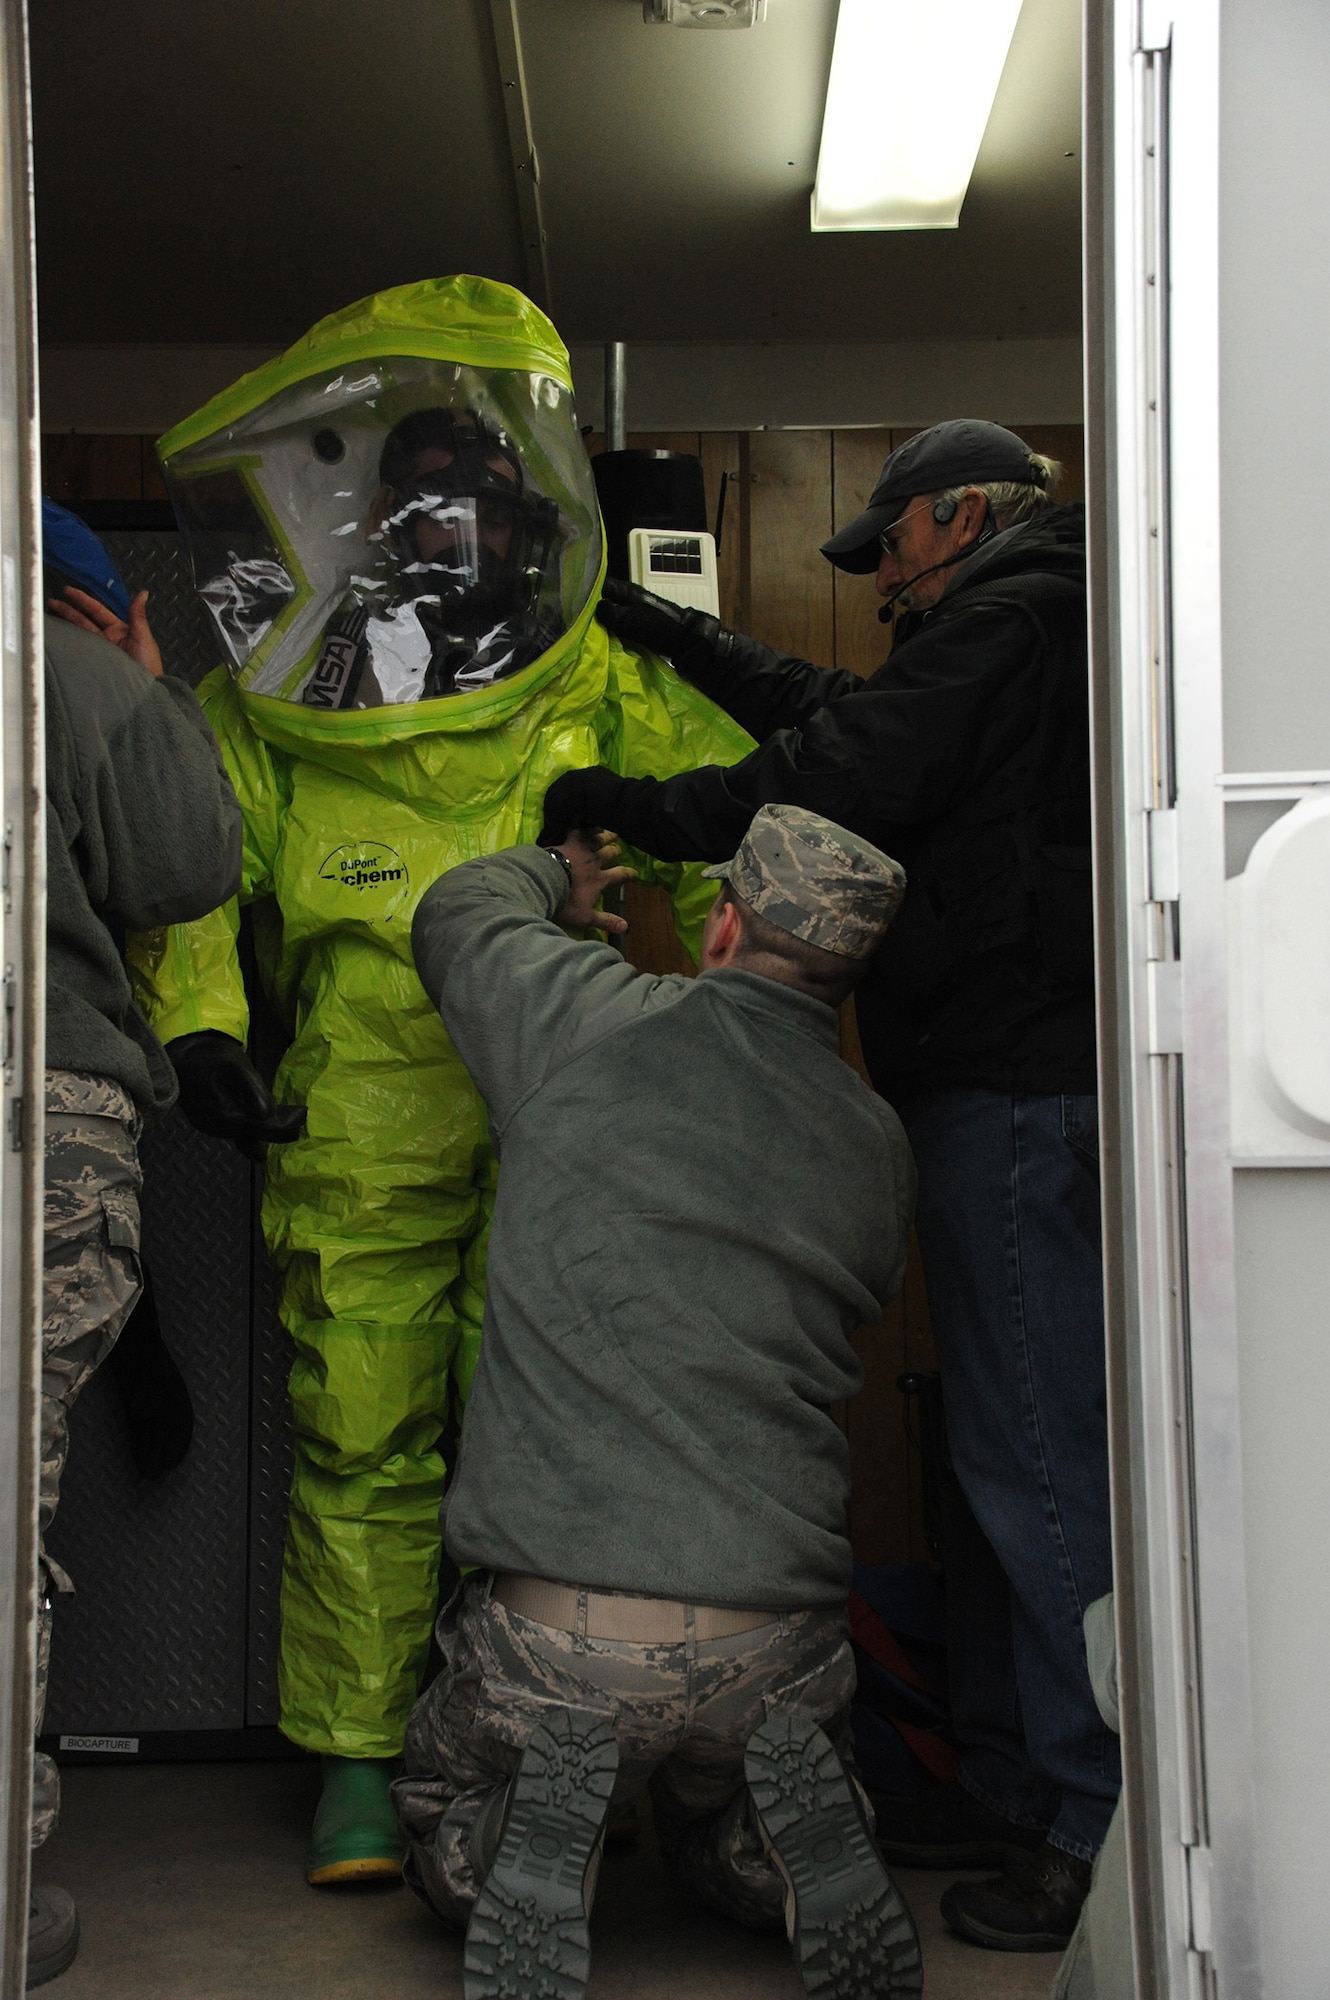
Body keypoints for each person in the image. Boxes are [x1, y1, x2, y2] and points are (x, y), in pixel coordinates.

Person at [123, 274, 755, 1885]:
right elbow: (198, 876)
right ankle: (357, 1758)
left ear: (532, 501)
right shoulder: (271, 703)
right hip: (364, 1114)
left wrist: (734, 1043)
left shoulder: (608, 683)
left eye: (479, 486)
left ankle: (546, 1758)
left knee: (557, 1432)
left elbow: (711, 884)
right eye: (419, 492)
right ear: (375, 520)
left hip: (579, 1115)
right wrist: (201, 1026)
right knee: (365, 1430)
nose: (451, 520)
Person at [538, 419, 1114, 1951]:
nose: (881, 587)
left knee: (1037, 1462)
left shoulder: (1015, 612)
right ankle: (1001, 1780)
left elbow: (841, 757)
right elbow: (832, 702)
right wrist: (662, 627)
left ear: (964, 517)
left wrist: (640, 805)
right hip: (993, 1079)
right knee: (994, 1456)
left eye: (891, 553)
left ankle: (1084, 1822)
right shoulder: (1026, 622)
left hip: (1010, 1081)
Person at [394, 804, 920, 2000]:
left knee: (430, 1793)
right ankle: (766, 1847)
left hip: (556, 1631)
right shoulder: (875, 1136)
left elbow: (456, 912)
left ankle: (516, 1830)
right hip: (775, 1636)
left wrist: (564, 877)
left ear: (724, 919)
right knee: (719, 1797)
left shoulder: (583, 1020)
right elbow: (871, 1289)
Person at [35, 519, 242, 1986]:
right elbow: (188, 866)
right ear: (89, 604)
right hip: (38, 1105)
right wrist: (151, 682)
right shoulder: (78, 673)